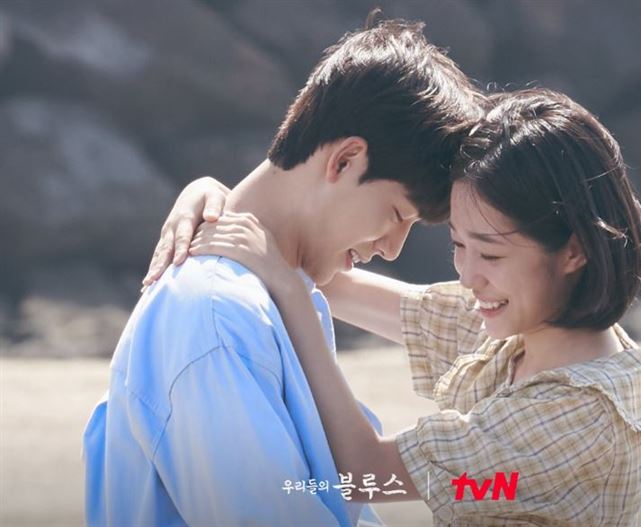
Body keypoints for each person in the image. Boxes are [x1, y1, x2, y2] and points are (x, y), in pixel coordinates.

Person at [149, 88, 641, 525]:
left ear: (574, 251)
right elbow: (324, 274)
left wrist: (291, 297)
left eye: (491, 253)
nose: (467, 276)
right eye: (458, 245)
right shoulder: (531, 330)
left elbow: (363, 471)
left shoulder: (574, 415)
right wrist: (218, 202)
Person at [83, 17, 483, 527]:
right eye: (396, 215)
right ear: (345, 161)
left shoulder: (277, 292)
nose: (390, 248)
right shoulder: (214, 313)